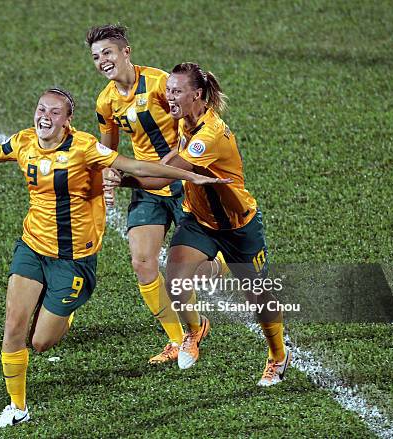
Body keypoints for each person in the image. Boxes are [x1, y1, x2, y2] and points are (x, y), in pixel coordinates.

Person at [0, 87, 231, 428]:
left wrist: (190, 175)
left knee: (41, 342)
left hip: (73, 260)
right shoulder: (23, 142)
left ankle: (64, 313)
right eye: (41, 110)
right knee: (12, 326)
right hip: (32, 248)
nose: (45, 117)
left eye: (54, 113)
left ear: (67, 121)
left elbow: (134, 164)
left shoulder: (84, 147)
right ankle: (17, 407)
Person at [105, 64, 291, 385]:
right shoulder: (185, 125)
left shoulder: (209, 136)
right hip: (199, 220)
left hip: (237, 226)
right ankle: (194, 330)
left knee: (257, 297)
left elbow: (161, 173)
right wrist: (125, 175)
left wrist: (116, 176)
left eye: (177, 92)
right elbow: (160, 173)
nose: (169, 97)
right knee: (176, 281)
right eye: (168, 90)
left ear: (198, 95)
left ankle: (277, 354)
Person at [86, 24, 226, 364]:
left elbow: (195, 118)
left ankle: (225, 260)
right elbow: (109, 147)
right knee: (142, 262)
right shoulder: (106, 102)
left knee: (201, 267)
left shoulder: (161, 83)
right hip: (148, 188)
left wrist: (184, 157)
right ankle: (181, 339)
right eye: (95, 56)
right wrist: (108, 176)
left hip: (182, 182)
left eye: (107, 52)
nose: (102, 61)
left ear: (126, 52)